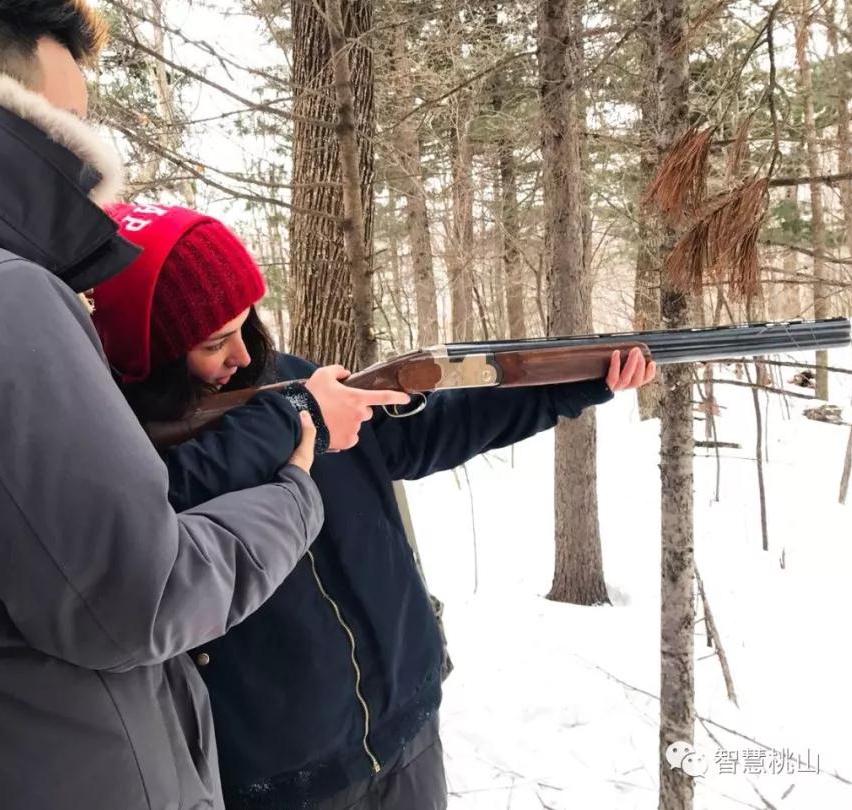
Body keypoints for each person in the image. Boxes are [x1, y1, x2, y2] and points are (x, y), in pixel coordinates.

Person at [0, 3, 410, 809]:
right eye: (71, 120)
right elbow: (136, 604)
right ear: (7, 113)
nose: (84, 148)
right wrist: (293, 489)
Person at [90, 201, 658, 810]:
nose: (244, 358)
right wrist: (292, 420)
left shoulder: (292, 382)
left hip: (407, 723)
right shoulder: (122, 444)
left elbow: (423, 435)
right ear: (151, 353)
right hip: (279, 775)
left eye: (244, 323)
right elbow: (154, 513)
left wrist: (573, 382)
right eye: (214, 343)